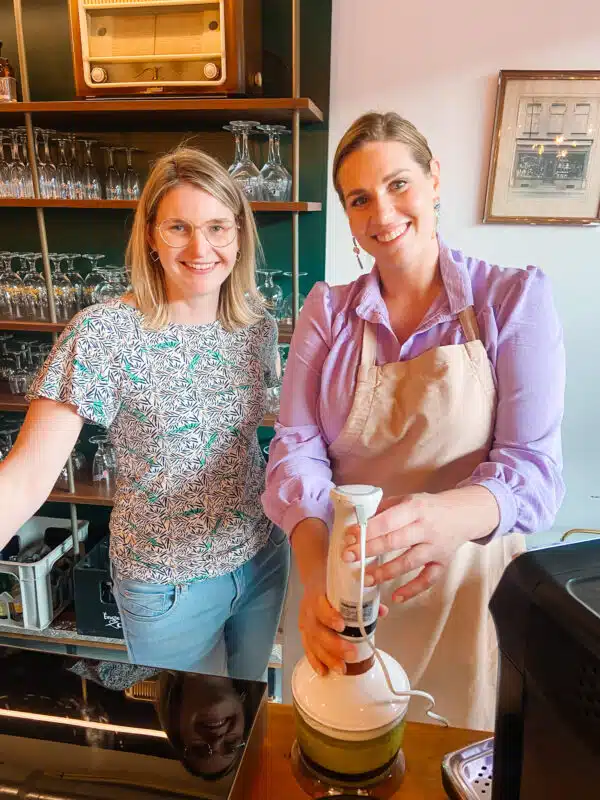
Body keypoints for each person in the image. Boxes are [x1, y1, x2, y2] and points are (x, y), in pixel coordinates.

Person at [262, 112, 565, 730]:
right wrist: (319, 580)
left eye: (398, 184)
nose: (382, 212)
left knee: (450, 758)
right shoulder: (328, 311)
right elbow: (296, 451)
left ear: (434, 180)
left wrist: (448, 516)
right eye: (359, 199)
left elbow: (534, 470)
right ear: (348, 215)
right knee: (331, 751)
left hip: (466, 590)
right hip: (341, 585)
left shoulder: (511, 299)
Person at [0, 147, 290, 681]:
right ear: (151, 236)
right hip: (167, 583)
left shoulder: (256, 325)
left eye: (218, 228)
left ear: (239, 236)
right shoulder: (103, 332)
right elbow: (25, 477)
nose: (201, 248)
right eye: (179, 227)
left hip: (261, 556)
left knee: (248, 706)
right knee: (190, 725)